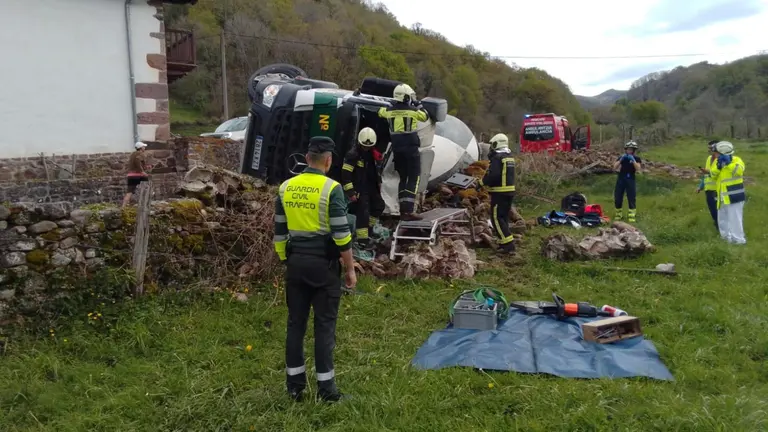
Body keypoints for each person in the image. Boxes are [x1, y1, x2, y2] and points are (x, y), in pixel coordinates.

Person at [273, 136, 357, 403]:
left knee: (295, 325)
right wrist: (350, 268)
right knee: (324, 327)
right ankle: (327, 390)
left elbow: (279, 232)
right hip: (323, 266)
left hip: (296, 263)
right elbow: (342, 234)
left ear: (307, 158)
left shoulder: (286, 188)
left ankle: (295, 388)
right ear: (329, 161)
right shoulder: (332, 189)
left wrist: (287, 259)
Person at [377, 83, 430, 221]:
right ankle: (408, 211)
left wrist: (389, 104)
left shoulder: (389, 111)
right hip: (411, 149)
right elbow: (425, 116)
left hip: (397, 150)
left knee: (403, 178)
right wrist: (418, 104)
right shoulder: (412, 111)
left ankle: (402, 210)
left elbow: (380, 111)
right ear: (406, 97)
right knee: (413, 178)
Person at [341, 127, 385, 250]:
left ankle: (369, 232)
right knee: (363, 213)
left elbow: (376, 170)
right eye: (364, 146)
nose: (366, 148)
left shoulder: (374, 154)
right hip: (359, 188)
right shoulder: (353, 155)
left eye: (369, 146)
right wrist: (350, 192)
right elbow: (346, 174)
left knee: (379, 206)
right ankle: (362, 241)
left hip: (372, 187)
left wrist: (379, 183)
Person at [479, 133, 516, 254]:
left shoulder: (497, 158)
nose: (491, 147)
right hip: (509, 192)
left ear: (496, 143)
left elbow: (493, 175)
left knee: (496, 218)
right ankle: (504, 242)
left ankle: (508, 245)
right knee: (503, 217)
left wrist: (481, 183)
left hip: (499, 193)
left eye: (492, 144)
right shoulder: (509, 157)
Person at [709, 141, 746, 244]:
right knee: (722, 221)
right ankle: (726, 240)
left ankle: (739, 241)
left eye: (716, 152)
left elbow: (738, 171)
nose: (714, 154)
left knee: (735, 221)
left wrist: (729, 164)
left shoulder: (737, 160)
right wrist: (719, 167)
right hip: (721, 197)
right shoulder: (718, 162)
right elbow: (712, 175)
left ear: (722, 152)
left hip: (734, 196)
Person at [612, 141, 642, 222]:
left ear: (634, 150)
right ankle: (618, 215)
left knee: (631, 197)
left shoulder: (636, 158)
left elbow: (638, 169)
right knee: (618, 197)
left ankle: (631, 216)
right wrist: (621, 160)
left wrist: (633, 161)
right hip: (621, 178)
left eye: (631, 149)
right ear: (626, 149)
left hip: (630, 178)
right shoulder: (622, 157)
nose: (630, 151)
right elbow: (614, 167)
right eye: (628, 149)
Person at [696, 140, 720, 230]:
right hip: (708, 189)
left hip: (717, 189)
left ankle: (721, 228)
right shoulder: (708, 158)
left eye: (711, 148)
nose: (709, 150)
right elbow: (705, 175)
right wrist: (700, 186)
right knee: (712, 210)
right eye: (708, 148)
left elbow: (719, 174)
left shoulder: (721, 160)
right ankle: (717, 225)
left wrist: (709, 172)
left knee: (719, 211)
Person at [122, 142, 150, 208]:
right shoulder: (140, 153)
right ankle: (145, 204)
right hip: (138, 175)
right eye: (144, 147)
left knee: (129, 192)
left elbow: (136, 164)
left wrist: (147, 167)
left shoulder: (132, 154)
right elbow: (137, 162)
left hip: (131, 175)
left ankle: (123, 207)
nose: (144, 148)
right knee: (147, 188)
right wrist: (142, 171)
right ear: (141, 148)